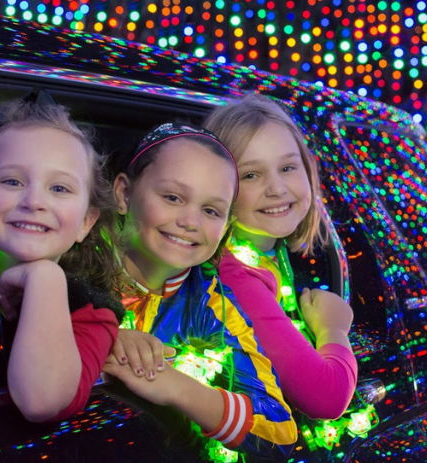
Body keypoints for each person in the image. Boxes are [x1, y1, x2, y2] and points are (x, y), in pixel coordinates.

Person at [102, 122, 297, 458]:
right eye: (173, 197)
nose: (191, 222)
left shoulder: (213, 308)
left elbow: (280, 432)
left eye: (210, 211)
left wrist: (177, 388)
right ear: (123, 193)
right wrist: (100, 336)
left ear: (225, 229)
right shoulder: (70, 260)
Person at [203, 94, 358, 420]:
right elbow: (326, 397)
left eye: (287, 167)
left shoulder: (267, 254)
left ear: (308, 169)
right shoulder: (232, 277)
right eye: (250, 175)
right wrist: (333, 329)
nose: (276, 188)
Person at [0, 97, 125, 422]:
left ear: (86, 221)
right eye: (12, 181)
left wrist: (44, 278)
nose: (34, 200)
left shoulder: (92, 313)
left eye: (59, 188)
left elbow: (42, 401)